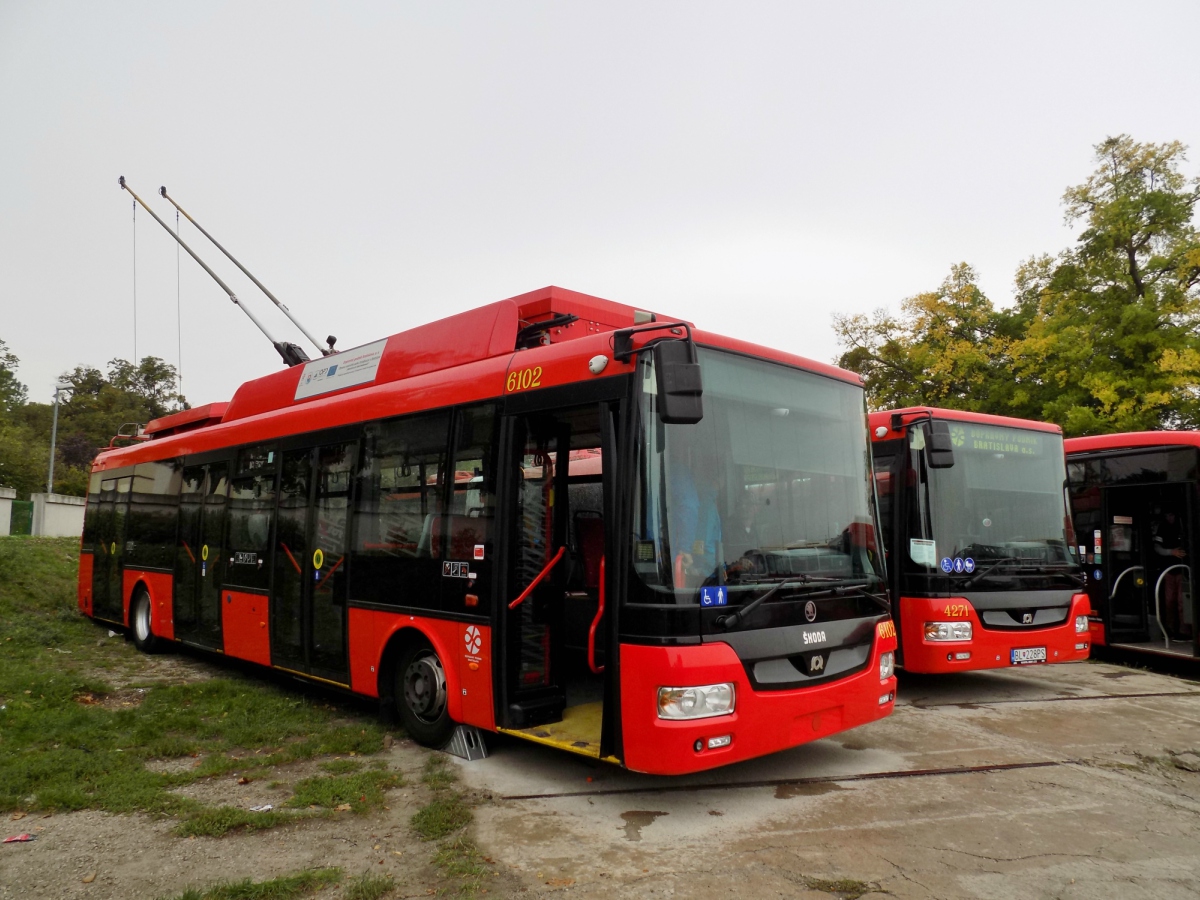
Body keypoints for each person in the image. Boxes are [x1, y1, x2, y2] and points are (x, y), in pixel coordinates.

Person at [667, 445, 723, 588]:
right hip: (702, 571)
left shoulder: (706, 500)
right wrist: (706, 570)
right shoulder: (707, 505)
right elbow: (704, 542)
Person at [1151, 507, 1190, 640]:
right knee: (1169, 601)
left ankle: (1185, 631)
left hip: (1184, 570)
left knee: (1182, 602)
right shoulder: (1163, 528)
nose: (1169, 518)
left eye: (1171, 515)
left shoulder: (1184, 526)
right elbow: (1157, 547)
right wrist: (1171, 552)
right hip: (1168, 570)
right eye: (1167, 515)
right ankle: (1170, 630)